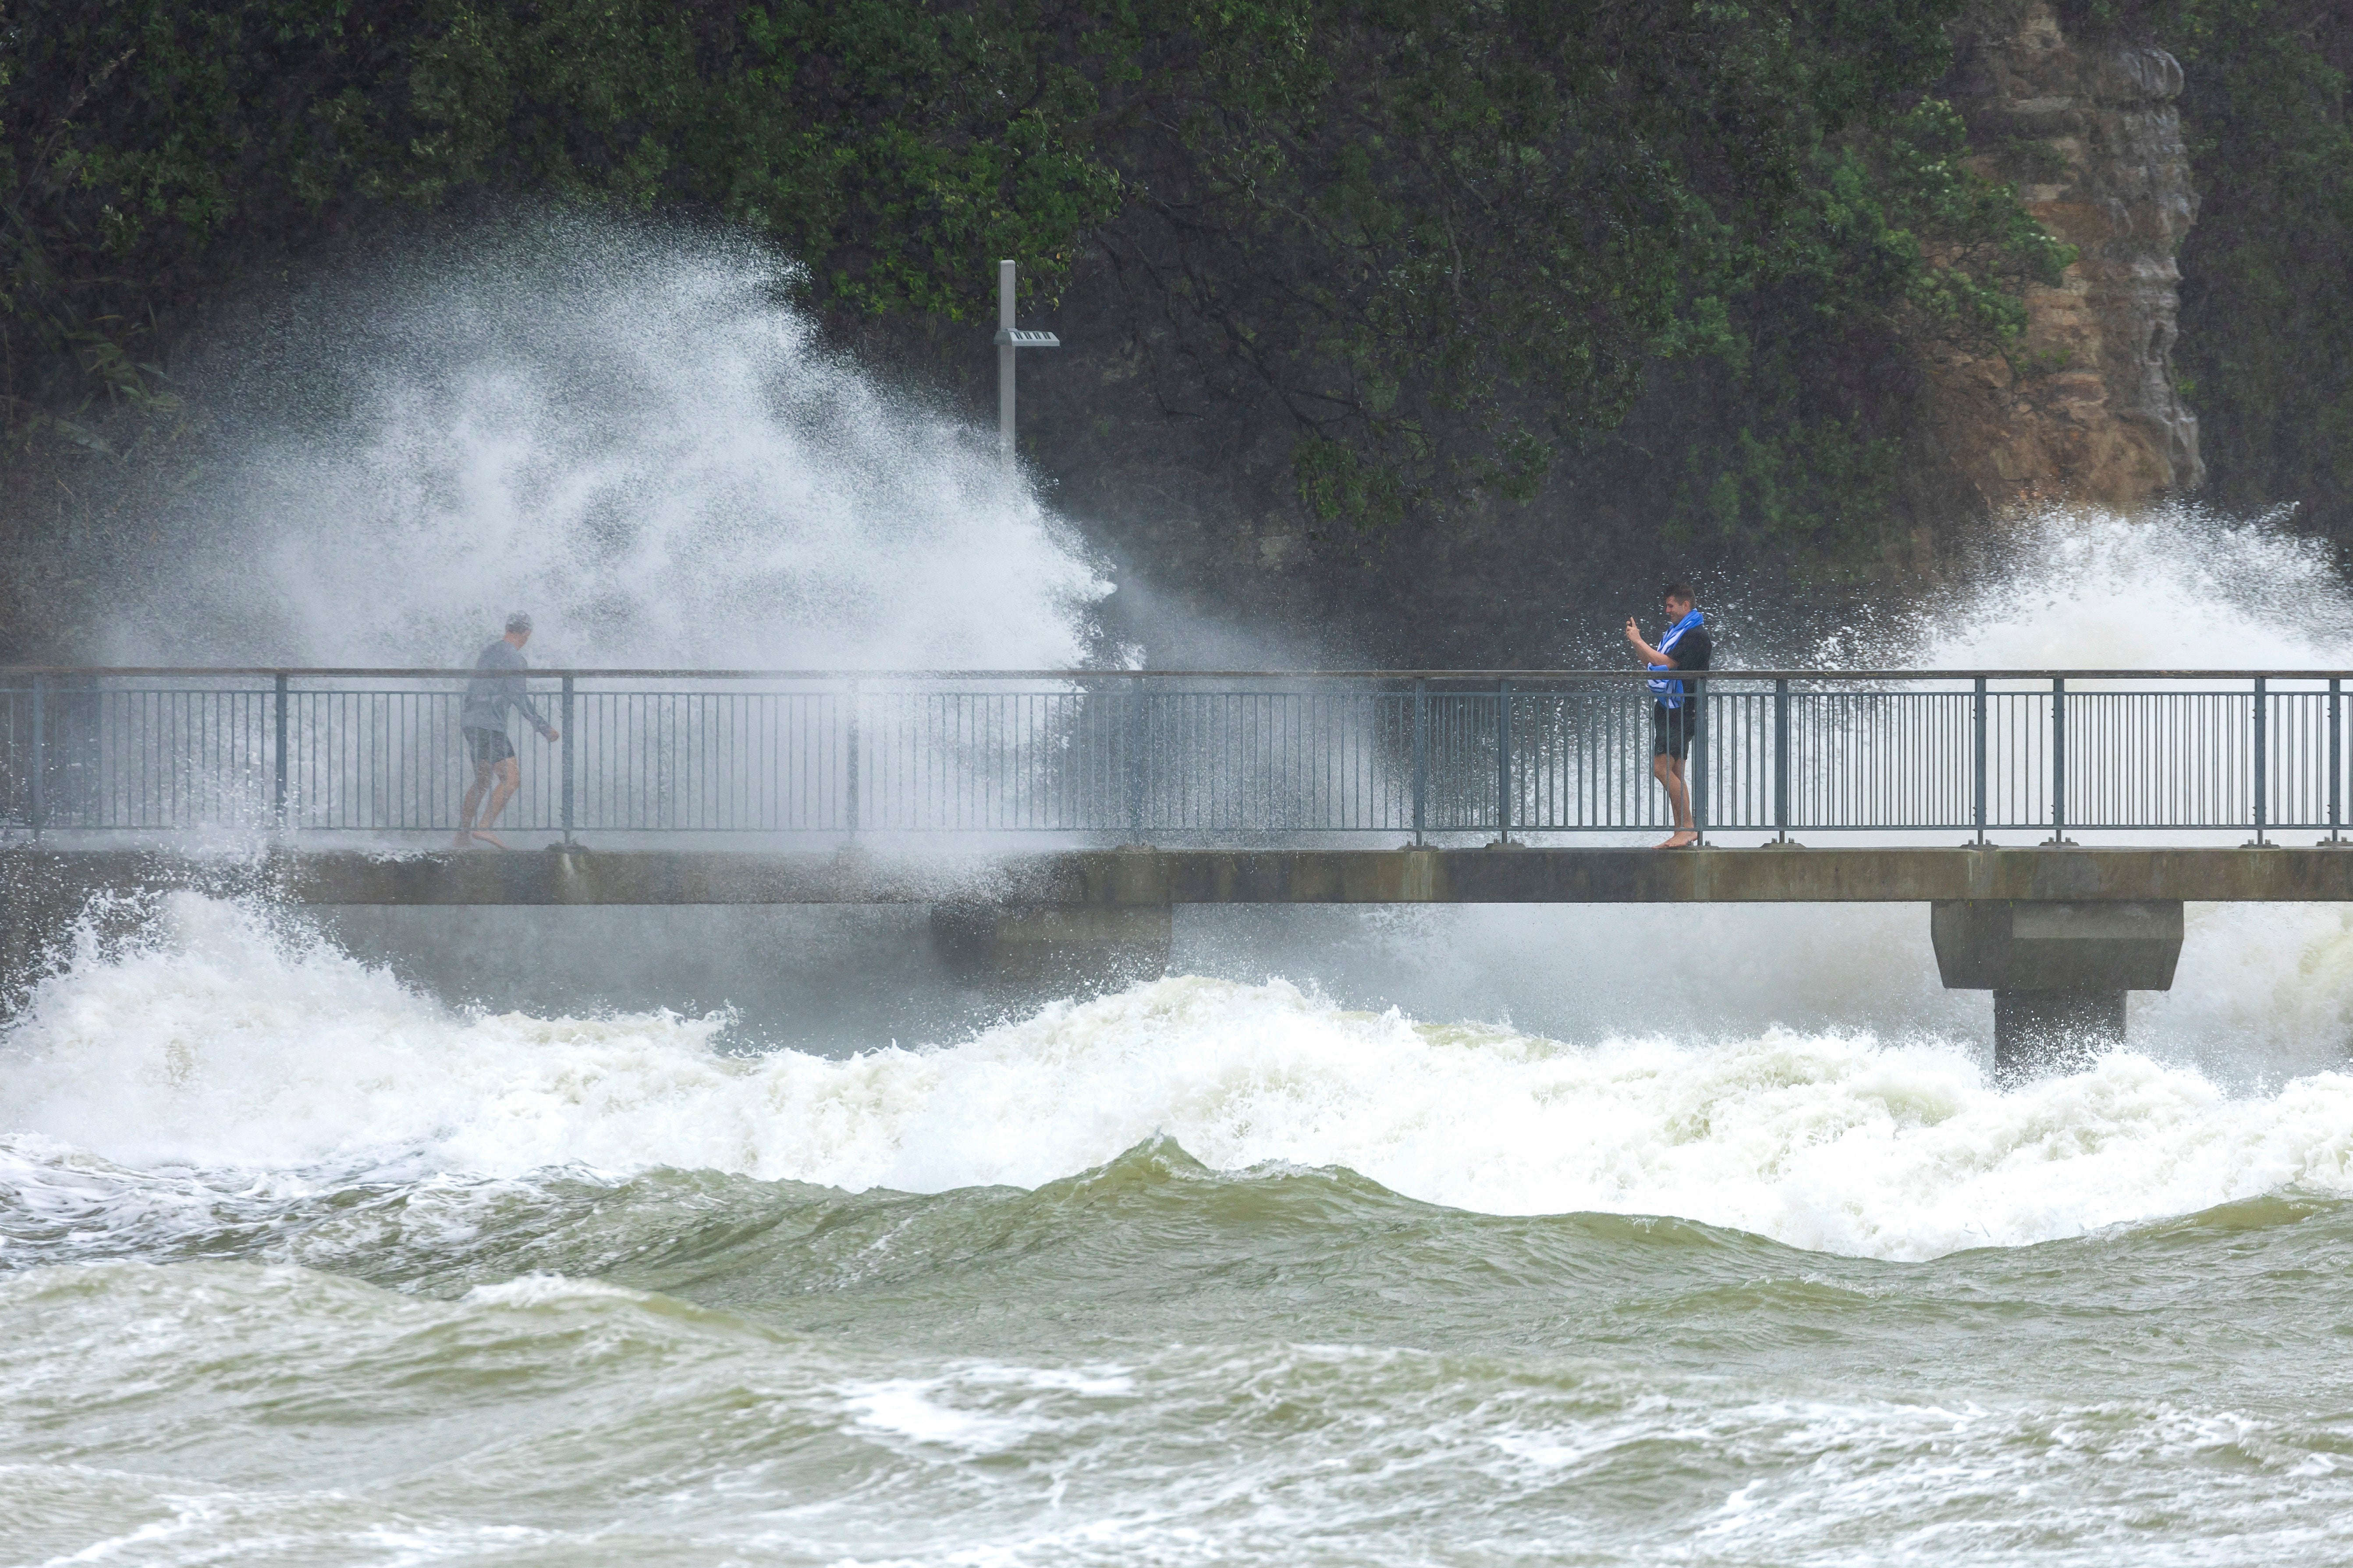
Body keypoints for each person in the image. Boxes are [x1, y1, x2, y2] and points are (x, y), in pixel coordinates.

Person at [454, 612, 559, 849]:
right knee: (511, 779)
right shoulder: (515, 659)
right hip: (490, 725)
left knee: (482, 780)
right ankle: (484, 828)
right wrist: (544, 727)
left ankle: (462, 835)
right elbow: (519, 698)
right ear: (527, 633)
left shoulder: (489, 651)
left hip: (471, 721)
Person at [1624, 582, 1710, 849]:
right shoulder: (1675, 633)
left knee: (1661, 769)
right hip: (1669, 707)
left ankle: (1687, 828)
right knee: (1673, 770)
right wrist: (1636, 642)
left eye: (1671, 605)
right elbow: (1653, 663)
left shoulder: (1695, 636)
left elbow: (1667, 664)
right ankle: (1681, 831)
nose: (1667, 610)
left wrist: (1639, 640)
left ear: (1686, 605)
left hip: (1682, 708)